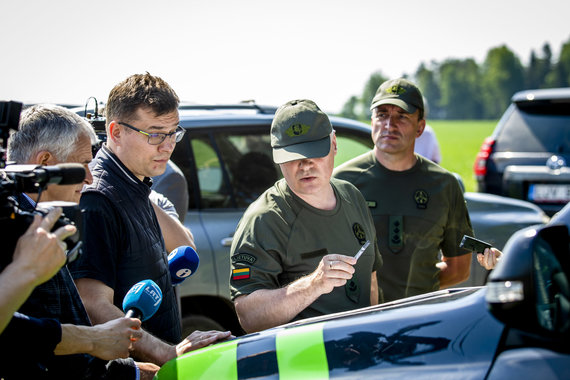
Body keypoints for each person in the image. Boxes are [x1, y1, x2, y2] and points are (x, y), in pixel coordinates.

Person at [70, 73, 231, 366]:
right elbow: (93, 305)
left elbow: (185, 244)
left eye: (174, 133)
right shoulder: (97, 199)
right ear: (115, 132)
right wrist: (165, 353)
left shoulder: (135, 182)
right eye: (155, 134)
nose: (167, 146)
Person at [4, 104, 154, 379]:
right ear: (46, 162)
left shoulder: (39, 220)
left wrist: (130, 371)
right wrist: (96, 341)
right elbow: (24, 340)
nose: (90, 177)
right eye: (83, 163)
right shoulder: (17, 233)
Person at [230, 99, 382, 333]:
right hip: (306, 363)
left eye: (314, 152)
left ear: (333, 143)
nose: (305, 164)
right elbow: (250, 318)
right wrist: (314, 284)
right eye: (292, 156)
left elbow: (370, 278)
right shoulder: (264, 220)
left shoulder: (353, 197)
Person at [333, 78, 475, 303]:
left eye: (402, 116)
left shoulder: (445, 186)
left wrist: (414, 294)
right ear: (372, 121)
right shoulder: (342, 182)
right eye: (382, 115)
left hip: (418, 320)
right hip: (355, 320)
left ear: (420, 127)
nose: (390, 124)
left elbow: (459, 268)